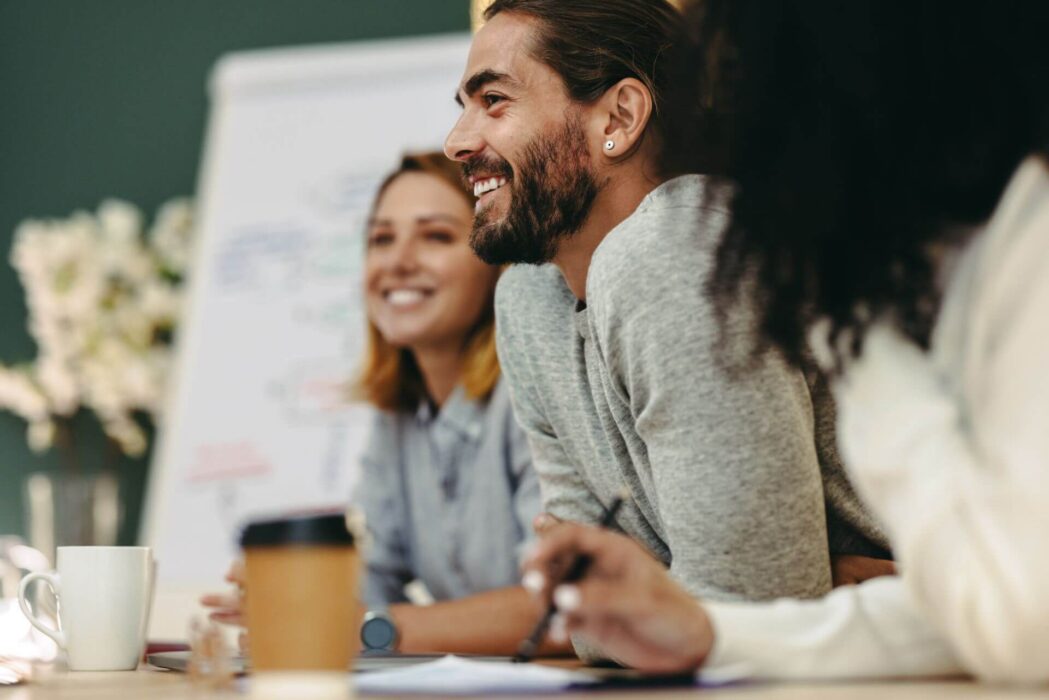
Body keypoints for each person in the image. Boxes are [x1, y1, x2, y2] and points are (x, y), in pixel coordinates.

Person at [521, 0, 1049, 684]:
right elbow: (980, 606)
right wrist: (708, 630)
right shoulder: (947, 252)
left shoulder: (1023, 235)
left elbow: (1019, 622)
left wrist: (865, 342)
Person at [444, 0, 889, 658]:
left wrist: (675, 600)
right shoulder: (528, 299)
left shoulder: (679, 248)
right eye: (463, 104)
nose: (456, 140)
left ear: (618, 118)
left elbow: (752, 611)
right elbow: (587, 613)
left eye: (494, 101)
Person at [204, 152, 566, 657]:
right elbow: (373, 579)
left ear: (496, 261)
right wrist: (303, 596)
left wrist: (371, 627)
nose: (397, 262)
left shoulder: (537, 392)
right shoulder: (400, 416)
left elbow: (564, 607)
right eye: (381, 239)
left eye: (436, 236)